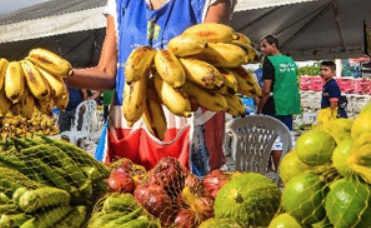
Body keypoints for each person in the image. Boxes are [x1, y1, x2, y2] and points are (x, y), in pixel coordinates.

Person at [66, 0, 234, 173]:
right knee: (123, 195)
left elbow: (207, 69)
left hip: (187, 122)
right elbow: (107, 73)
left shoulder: (207, 2)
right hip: (127, 123)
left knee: (188, 196)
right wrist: (64, 76)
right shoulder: (120, 4)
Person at [257, 35, 300, 169]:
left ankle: (280, 174)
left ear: (273, 45)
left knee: (276, 141)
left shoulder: (269, 61)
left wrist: (260, 107)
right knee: (287, 138)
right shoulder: (290, 60)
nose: (262, 50)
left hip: (274, 104)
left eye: (264, 46)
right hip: (289, 103)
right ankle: (290, 172)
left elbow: (266, 90)